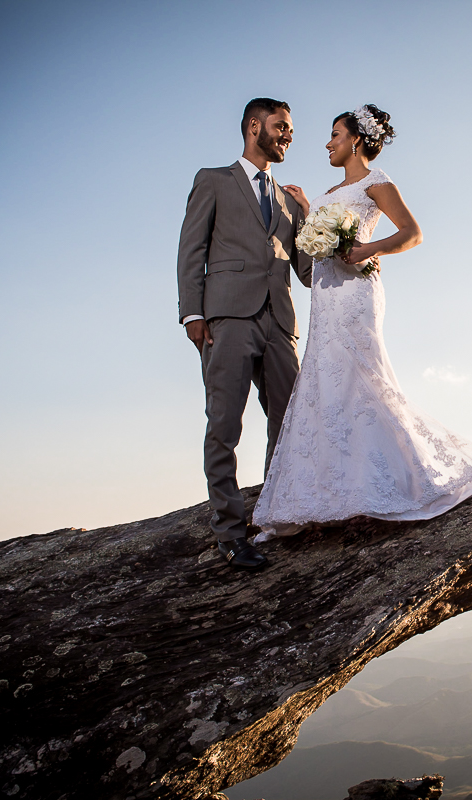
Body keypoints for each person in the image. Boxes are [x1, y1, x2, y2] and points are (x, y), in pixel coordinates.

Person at [252, 105, 472, 536]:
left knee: (362, 379)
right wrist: (310, 209)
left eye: (334, 134)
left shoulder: (378, 182)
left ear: (355, 140)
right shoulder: (332, 189)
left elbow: (412, 232)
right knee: (325, 383)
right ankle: (326, 492)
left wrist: (369, 250)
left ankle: (397, 481)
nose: (328, 143)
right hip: (326, 298)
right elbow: (327, 238)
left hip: (356, 294)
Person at [176, 98, 311, 570]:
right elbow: (191, 249)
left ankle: (277, 512)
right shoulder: (212, 180)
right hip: (227, 319)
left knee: (290, 419)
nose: (289, 135)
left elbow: (308, 272)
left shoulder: (290, 200)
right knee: (224, 425)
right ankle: (230, 533)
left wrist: (310, 221)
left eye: (290, 129)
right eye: (282, 126)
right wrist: (193, 314)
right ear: (254, 126)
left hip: (279, 321)